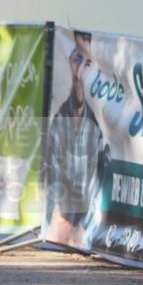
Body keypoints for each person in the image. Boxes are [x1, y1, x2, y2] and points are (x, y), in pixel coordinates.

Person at [44, 32, 105, 250]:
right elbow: (52, 178)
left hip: (84, 230)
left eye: (88, 62)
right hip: (61, 226)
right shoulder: (60, 119)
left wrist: (85, 229)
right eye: (77, 59)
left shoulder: (99, 126)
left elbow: (98, 189)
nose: (80, 71)